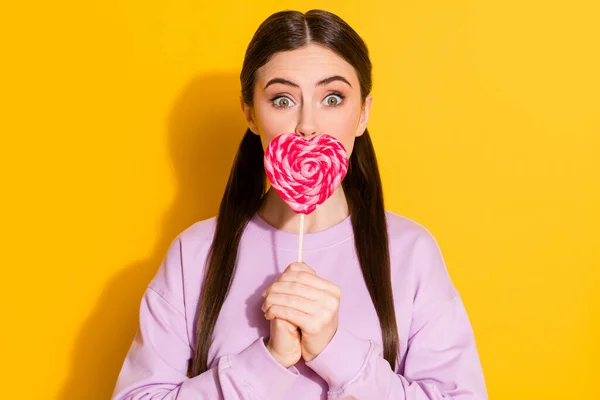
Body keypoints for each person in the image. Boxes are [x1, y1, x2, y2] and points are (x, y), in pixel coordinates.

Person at [111, 9, 488, 400]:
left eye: (332, 98)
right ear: (250, 114)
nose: (307, 124)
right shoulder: (196, 254)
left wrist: (336, 350)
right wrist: (267, 362)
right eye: (282, 99)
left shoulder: (410, 252)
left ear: (363, 114)